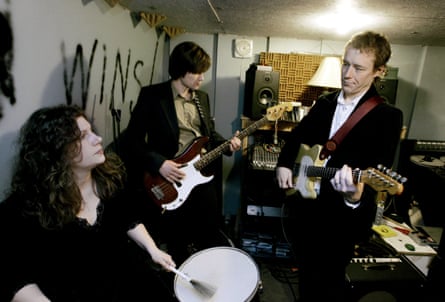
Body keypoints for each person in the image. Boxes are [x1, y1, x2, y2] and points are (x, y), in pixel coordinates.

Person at [0, 104, 177, 302]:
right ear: (58, 149)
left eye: (91, 131)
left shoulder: (110, 179)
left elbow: (128, 218)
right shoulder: (24, 207)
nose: (98, 139)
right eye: (83, 136)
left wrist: (152, 249)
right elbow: (15, 278)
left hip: (125, 284)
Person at [275, 31, 403, 302]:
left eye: (358, 68)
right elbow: (298, 137)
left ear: (379, 71)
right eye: (345, 64)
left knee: (329, 286)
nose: (347, 74)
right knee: (307, 282)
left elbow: (375, 174)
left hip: (340, 221)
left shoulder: (388, 117)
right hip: (306, 210)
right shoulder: (324, 103)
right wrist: (284, 164)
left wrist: (354, 197)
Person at [120, 41, 241, 265]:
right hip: (170, 177)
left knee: (208, 229)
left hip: (201, 173)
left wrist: (227, 144)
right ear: (180, 70)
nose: (202, 77)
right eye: (196, 71)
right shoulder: (152, 96)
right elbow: (132, 140)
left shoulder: (201, 97)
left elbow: (208, 134)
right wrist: (159, 164)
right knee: (177, 237)